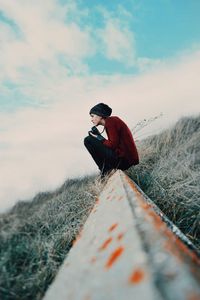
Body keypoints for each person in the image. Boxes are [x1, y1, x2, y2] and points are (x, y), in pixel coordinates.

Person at [84, 103, 139, 179]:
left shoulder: (111, 121)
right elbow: (113, 144)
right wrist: (99, 137)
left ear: (100, 115)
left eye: (92, 116)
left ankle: (105, 170)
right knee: (90, 140)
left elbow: (113, 145)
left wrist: (98, 137)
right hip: (125, 160)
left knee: (88, 140)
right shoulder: (111, 122)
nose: (91, 119)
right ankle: (105, 170)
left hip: (124, 161)